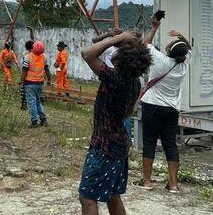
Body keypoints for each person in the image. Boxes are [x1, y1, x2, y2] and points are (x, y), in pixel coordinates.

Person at [78, 31, 152, 215]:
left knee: (87, 197)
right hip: (119, 144)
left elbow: (87, 53)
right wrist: (122, 40)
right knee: (112, 194)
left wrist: (118, 38)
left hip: (104, 146)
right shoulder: (134, 82)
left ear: (121, 60)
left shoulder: (114, 78)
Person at [137, 14, 191, 193]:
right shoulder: (183, 65)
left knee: (149, 141)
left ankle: (146, 181)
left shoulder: (159, 60)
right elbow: (188, 49)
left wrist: (154, 27)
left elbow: (145, 45)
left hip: (152, 105)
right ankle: (173, 184)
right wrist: (181, 36)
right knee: (170, 144)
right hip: (172, 109)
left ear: (169, 51)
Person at [21, 40, 51, 128]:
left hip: (30, 83)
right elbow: (47, 69)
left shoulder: (27, 57)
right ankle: (43, 119)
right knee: (38, 102)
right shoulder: (44, 57)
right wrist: (49, 79)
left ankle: (34, 121)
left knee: (31, 102)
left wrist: (21, 80)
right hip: (40, 83)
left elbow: (24, 70)